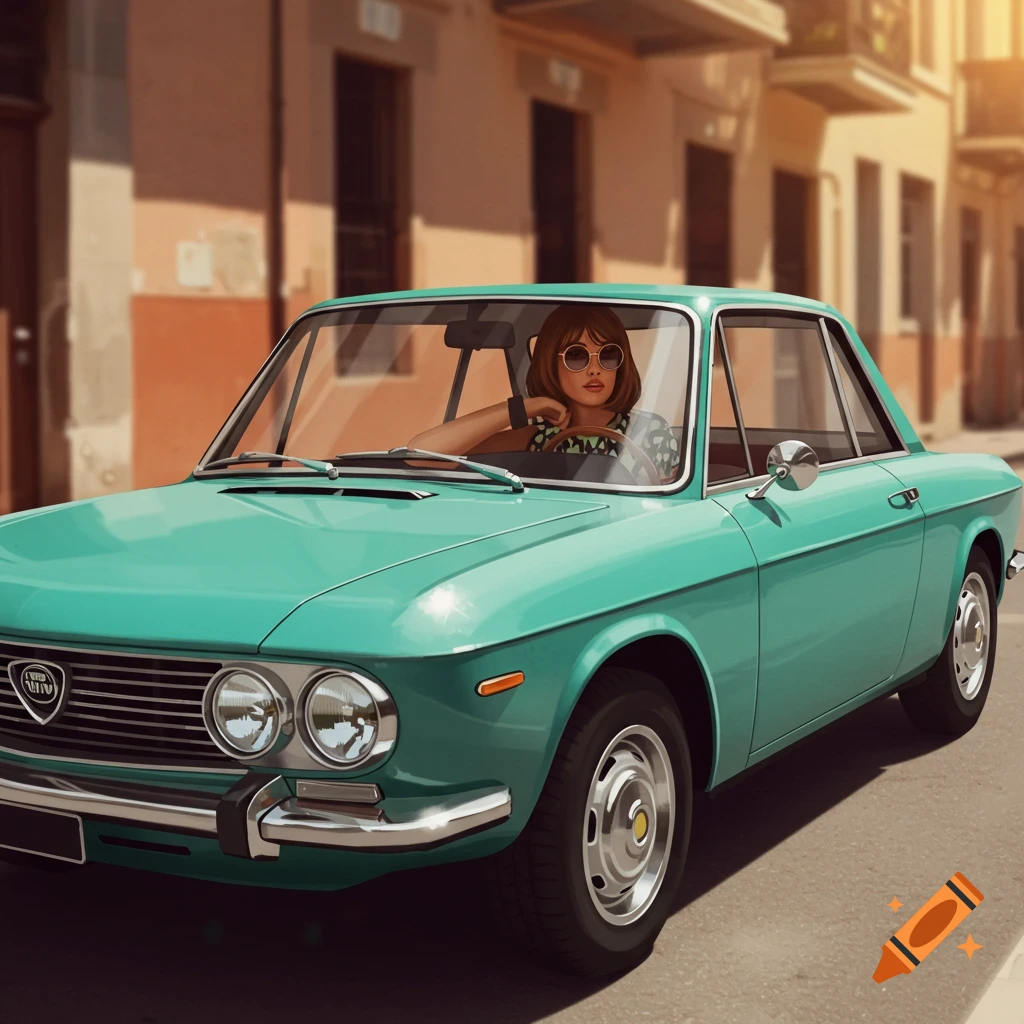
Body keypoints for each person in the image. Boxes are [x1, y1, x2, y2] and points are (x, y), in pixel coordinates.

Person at [407, 304, 680, 480]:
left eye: (608, 355)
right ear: (551, 362)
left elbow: (669, 516)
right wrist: (529, 407)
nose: (594, 369)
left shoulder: (650, 431)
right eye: (576, 356)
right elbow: (420, 455)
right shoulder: (535, 436)